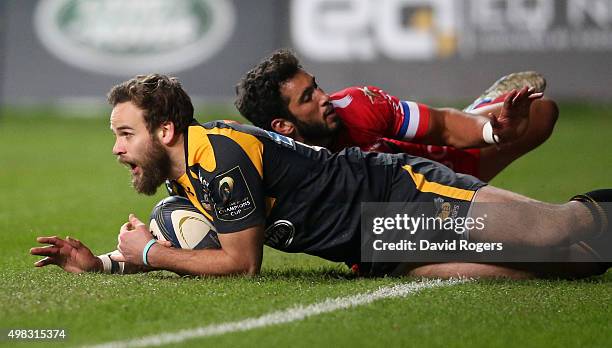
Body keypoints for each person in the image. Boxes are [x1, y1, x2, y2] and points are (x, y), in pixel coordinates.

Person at [30, 74, 610, 279]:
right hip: (376, 242)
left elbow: (240, 263)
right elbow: (165, 237)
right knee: (560, 262)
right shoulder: (186, 175)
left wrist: (151, 254)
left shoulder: (223, 154)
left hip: (400, 192)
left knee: (556, 228)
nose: (115, 148)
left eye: (124, 133)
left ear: (164, 132)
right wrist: (104, 261)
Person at [234, 49, 559, 181]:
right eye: (308, 98)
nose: (324, 98)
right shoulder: (270, 162)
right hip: (392, 213)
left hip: (440, 169)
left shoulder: (357, 104)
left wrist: (493, 132)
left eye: (317, 87)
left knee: (541, 113)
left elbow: (444, 126)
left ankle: (481, 112)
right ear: (282, 126)